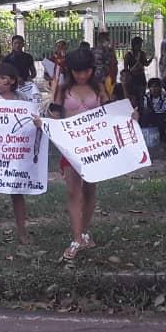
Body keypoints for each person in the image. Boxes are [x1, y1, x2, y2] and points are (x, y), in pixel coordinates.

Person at [47, 47, 107, 261]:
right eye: (77, 71)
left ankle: (83, 232)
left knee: (90, 190)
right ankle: (76, 239)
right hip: (71, 147)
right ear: (70, 70)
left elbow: (110, 113)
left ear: (92, 69)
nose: (82, 75)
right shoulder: (62, 90)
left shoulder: (99, 88)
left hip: (95, 146)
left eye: (86, 71)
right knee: (74, 192)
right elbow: (53, 116)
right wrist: (44, 123)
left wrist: (131, 115)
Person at [0, 62, 33, 249]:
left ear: (12, 80)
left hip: (16, 154)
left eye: (3, 78)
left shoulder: (23, 100)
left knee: (17, 194)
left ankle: (22, 233)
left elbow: (30, 124)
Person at [141, 77, 166, 144]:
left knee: (160, 118)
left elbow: (162, 110)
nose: (154, 89)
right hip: (155, 115)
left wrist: (151, 112)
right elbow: (145, 107)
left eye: (156, 86)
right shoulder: (146, 96)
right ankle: (144, 138)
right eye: (151, 87)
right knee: (144, 116)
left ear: (160, 87)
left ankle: (163, 140)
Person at [122, 36, 152, 109]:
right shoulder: (128, 55)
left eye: (141, 44)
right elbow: (126, 69)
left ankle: (141, 113)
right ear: (134, 45)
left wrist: (150, 60)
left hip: (141, 77)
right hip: (132, 79)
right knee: (133, 98)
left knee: (141, 97)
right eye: (139, 44)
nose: (140, 46)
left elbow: (146, 64)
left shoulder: (142, 53)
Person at [92, 31, 118, 100]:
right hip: (104, 79)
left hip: (96, 79)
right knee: (106, 99)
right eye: (108, 40)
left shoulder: (92, 51)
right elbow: (113, 64)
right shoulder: (108, 51)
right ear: (104, 40)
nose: (109, 42)